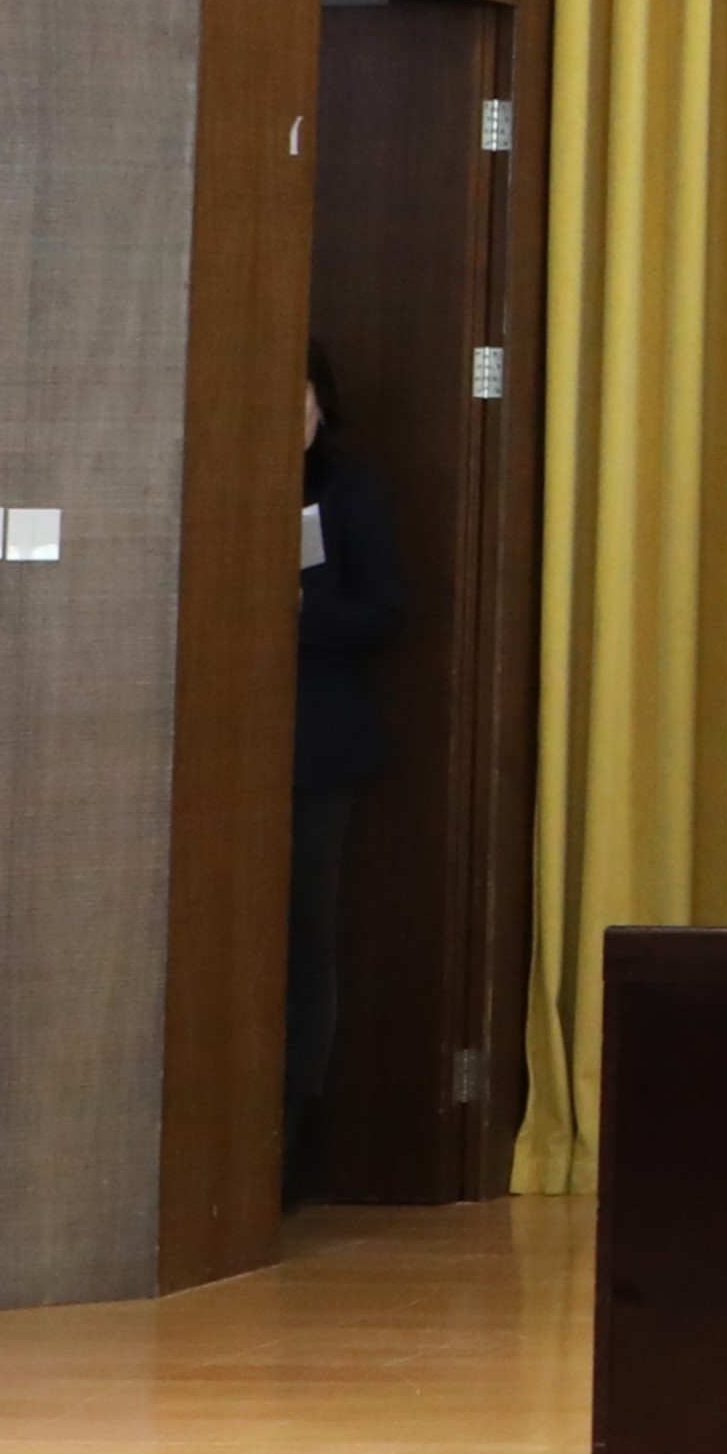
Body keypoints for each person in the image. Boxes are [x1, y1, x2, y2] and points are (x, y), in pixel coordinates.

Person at [285, 357, 402, 1190]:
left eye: (299, 396)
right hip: (223, 745)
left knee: (304, 933)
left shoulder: (349, 491)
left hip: (319, 743)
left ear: (322, 403)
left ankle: (293, 1130)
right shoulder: (217, 477)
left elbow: (383, 613)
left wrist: (300, 609)